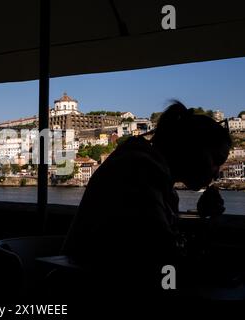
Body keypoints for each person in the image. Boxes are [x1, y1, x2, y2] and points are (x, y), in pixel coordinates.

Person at [62, 101, 232, 298]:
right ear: (191, 148)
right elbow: (164, 260)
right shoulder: (141, 172)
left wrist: (204, 220)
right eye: (216, 160)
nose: (217, 172)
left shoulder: (147, 168)